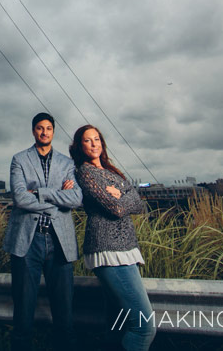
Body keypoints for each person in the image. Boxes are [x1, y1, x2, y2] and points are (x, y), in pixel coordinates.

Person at [70, 124, 156, 351]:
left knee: (117, 326)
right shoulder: (85, 173)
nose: (94, 143)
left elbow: (138, 202)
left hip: (125, 247)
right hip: (108, 249)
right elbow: (115, 209)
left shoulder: (110, 170)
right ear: (80, 146)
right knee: (144, 327)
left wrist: (123, 196)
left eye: (96, 139)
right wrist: (123, 195)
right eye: (87, 140)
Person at [3, 112, 83, 350]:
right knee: (23, 316)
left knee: (64, 316)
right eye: (40, 128)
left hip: (60, 241)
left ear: (53, 132)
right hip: (28, 242)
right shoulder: (19, 160)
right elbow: (19, 198)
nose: (44, 132)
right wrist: (59, 197)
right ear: (33, 131)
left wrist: (39, 193)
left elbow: (76, 198)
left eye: (48, 128)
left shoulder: (67, 163)